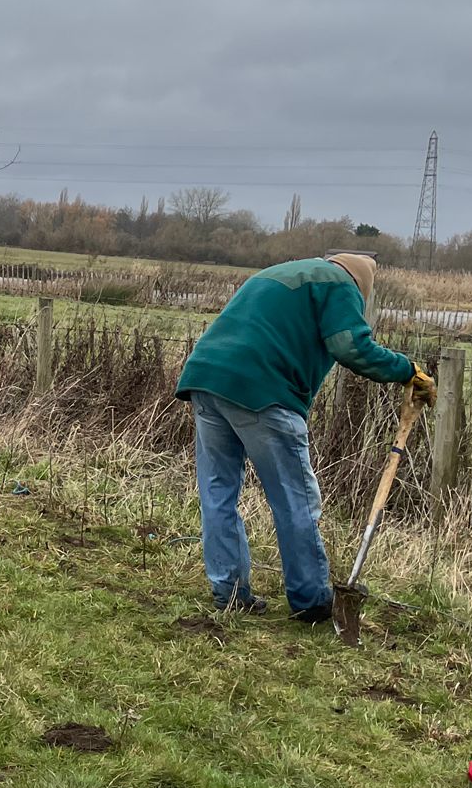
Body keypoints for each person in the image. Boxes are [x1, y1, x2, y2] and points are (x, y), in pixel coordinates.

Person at [174, 251, 434, 624]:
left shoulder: (277, 272)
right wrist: (407, 370)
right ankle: (310, 598)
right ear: (363, 285)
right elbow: (351, 345)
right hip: (264, 391)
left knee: (218, 492)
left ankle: (228, 593)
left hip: (206, 379)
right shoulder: (341, 284)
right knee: (294, 497)